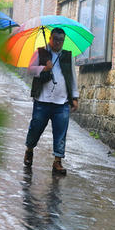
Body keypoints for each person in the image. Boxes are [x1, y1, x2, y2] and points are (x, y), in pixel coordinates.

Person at [23, 28, 79, 174]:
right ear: (50, 38)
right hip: (42, 99)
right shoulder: (41, 52)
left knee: (61, 132)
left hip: (62, 101)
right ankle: (29, 150)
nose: (58, 42)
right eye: (55, 39)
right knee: (36, 128)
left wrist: (74, 97)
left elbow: (72, 77)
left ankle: (57, 161)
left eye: (61, 40)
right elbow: (30, 70)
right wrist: (44, 68)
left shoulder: (68, 56)